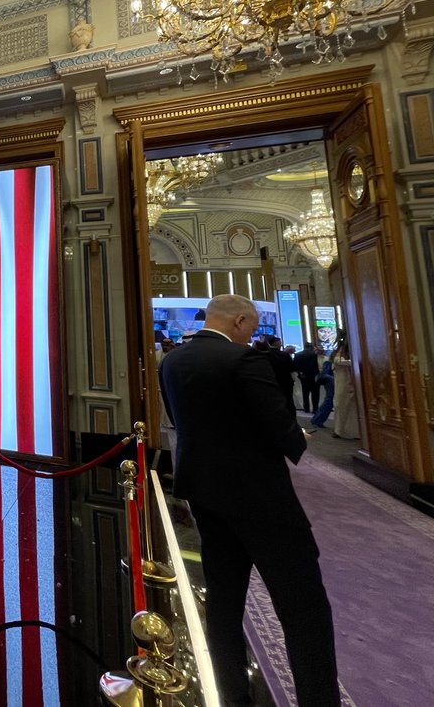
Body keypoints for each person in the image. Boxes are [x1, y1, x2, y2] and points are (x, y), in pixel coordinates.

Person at [159, 294, 339, 706]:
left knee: (224, 602)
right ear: (239, 321)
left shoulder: (173, 361)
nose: (251, 335)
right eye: (251, 328)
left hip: (204, 492)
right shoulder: (243, 360)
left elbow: (182, 421)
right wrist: (298, 439)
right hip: (260, 497)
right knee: (304, 608)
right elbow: (277, 423)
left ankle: (232, 693)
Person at [331, 338, 361, 439]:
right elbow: (341, 361)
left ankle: (353, 431)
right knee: (341, 407)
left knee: (352, 408)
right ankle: (339, 430)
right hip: (343, 385)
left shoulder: (343, 358)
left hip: (348, 384)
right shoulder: (339, 359)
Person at [294, 342, 321, 413]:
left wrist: (301, 373)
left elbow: (295, 366)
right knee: (315, 393)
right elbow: (314, 366)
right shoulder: (313, 354)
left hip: (302, 377)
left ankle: (306, 408)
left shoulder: (297, 355)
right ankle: (315, 408)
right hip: (312, 376)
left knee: (305, 393)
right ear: (310, 347)